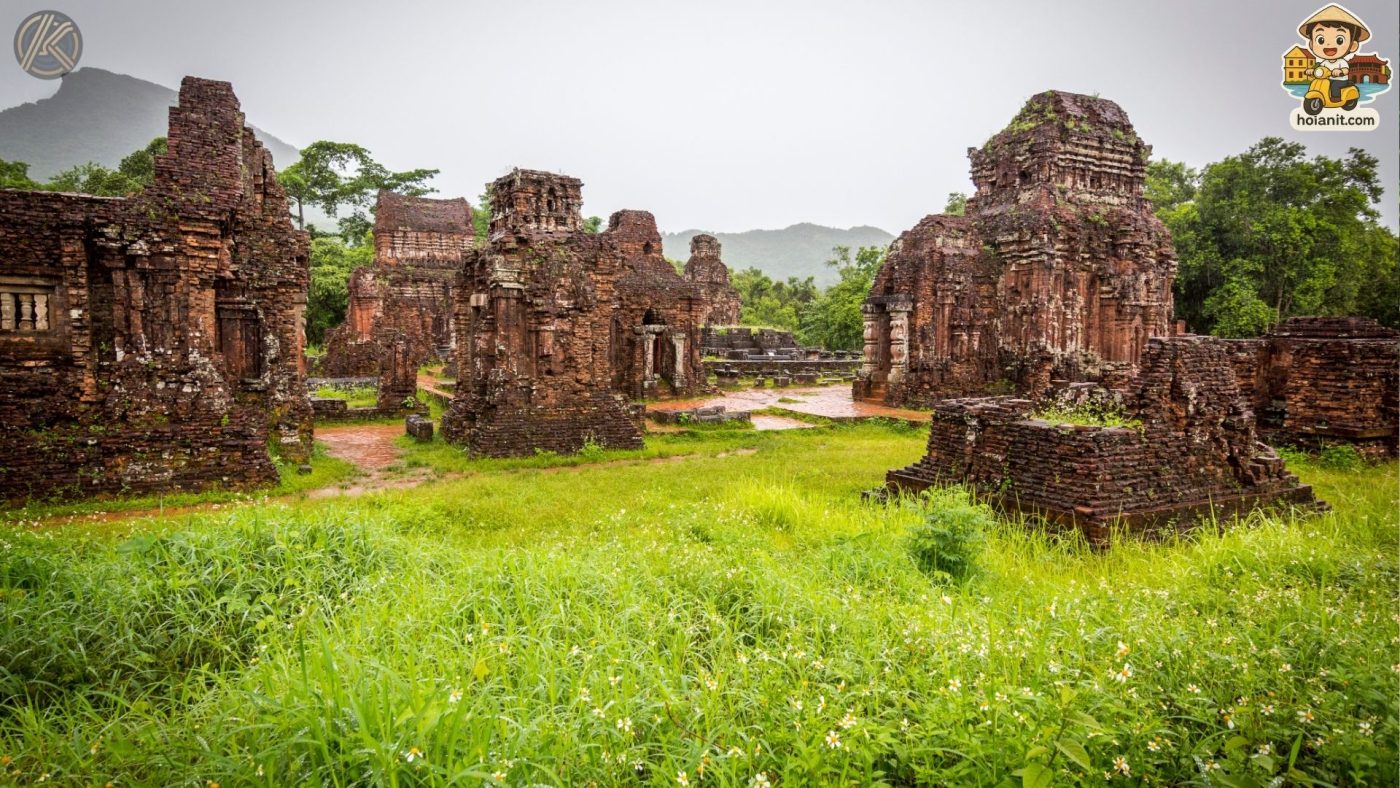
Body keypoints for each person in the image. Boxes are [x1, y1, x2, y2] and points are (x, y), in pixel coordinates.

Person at [1298, 4, 1371, 103]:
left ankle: (1336, 99)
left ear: (1353, 45)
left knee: (1334, 86)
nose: (1328, 44)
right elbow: (1319, 68)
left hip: (1340, 80)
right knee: (1317, 83)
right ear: (1311, 44)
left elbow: (1345, 70)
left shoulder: (1341, 62)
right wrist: (1312, 70)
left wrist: (1340, 72)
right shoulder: (1324, 62)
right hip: (1327, 79)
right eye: (1321, 40)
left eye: (1339, 40)